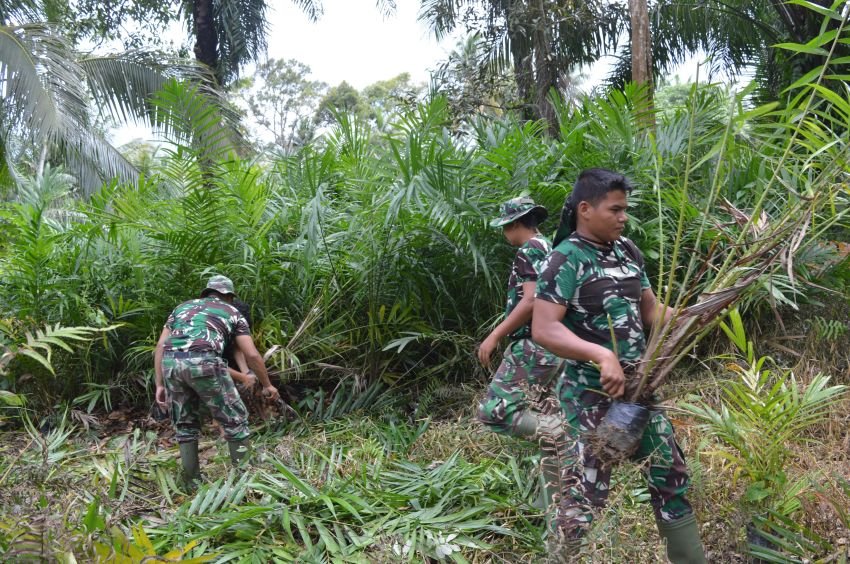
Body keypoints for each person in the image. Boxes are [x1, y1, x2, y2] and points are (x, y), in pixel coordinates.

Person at [531, 169, 706, 562]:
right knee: (582, 500)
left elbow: (650, 310)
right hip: (590, 398)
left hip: (640, 393)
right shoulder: (565, 259)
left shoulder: (627, 250)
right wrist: (601, 354)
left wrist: (692, 316)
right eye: (616, 209)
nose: (623, 217)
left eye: (625, 210)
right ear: (585, 209)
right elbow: (543, 328)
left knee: (671, 478)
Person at [477, 196, 567, 525]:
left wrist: (495, 335)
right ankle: (552, 512)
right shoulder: (553, 249)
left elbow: (530, 301)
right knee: (547, 428)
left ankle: (567, 431)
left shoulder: (529, 250)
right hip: (556, 346)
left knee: (495, 411)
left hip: (533, 345)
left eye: (506, 228)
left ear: (516, 225)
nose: (505, 234)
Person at [154, 275, 280, 489]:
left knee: (184, 424)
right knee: (235, 421)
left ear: (206, 293)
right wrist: (267, 384)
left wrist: (159, 384)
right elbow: (252, 354)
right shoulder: (232, 312)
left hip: (171, 363)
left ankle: (191, 482)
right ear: (230, 296)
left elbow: (160, 346)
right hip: (205, 363)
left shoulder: (181, 308)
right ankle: (244, 482)